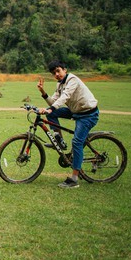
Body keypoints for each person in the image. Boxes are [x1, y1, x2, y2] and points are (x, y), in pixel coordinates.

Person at [37, 60, 99, 189]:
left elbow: (65, 97)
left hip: (88, 114)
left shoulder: (72, 80)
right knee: (51, 114)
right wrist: (43, 92)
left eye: (58, 71)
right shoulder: (60, 85)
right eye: (54, 73)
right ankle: (59, 141)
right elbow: (53, 101)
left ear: (65, 69)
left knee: (77, 142)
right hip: (75, 111)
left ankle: (74, 179)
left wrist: (51, 108)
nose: (57, 75)